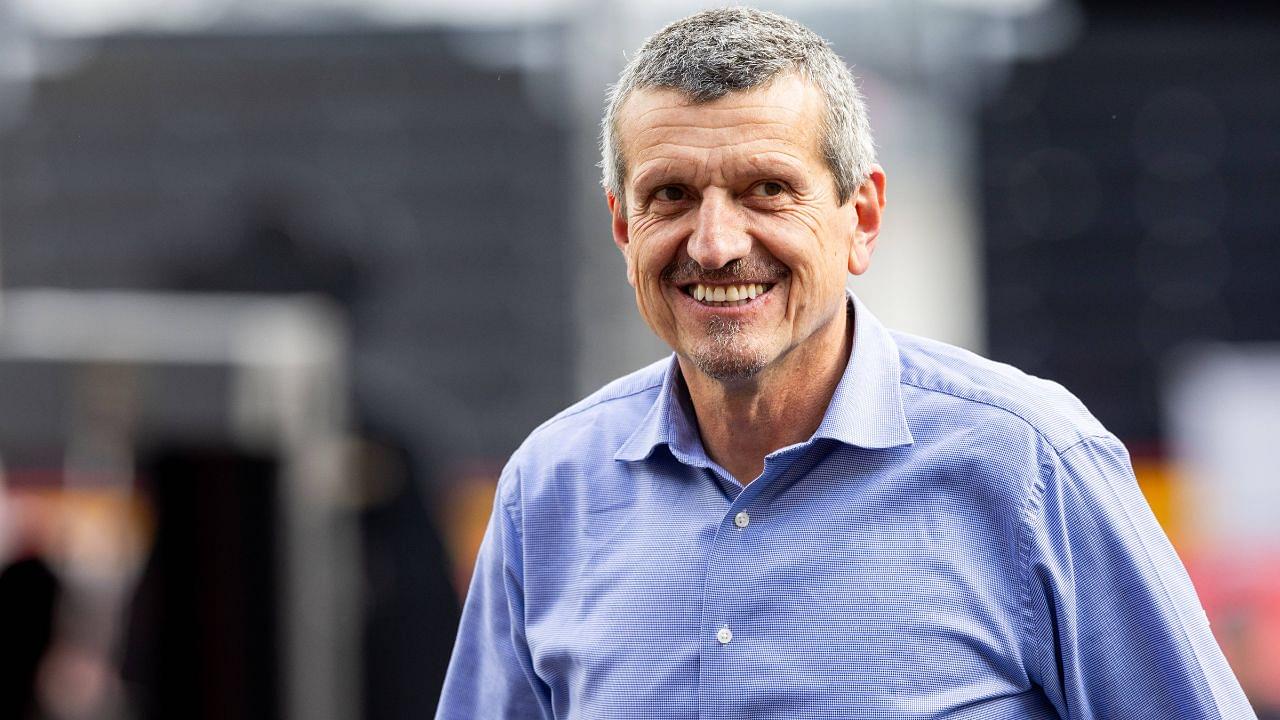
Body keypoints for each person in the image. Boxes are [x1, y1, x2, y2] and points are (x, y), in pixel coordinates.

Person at [436, 7, 1255, 719]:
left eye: (766, 190)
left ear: (860, 217)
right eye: (671, 197)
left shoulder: (1031, 468)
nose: (716, 245)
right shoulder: (547, 493)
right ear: (623, 228)